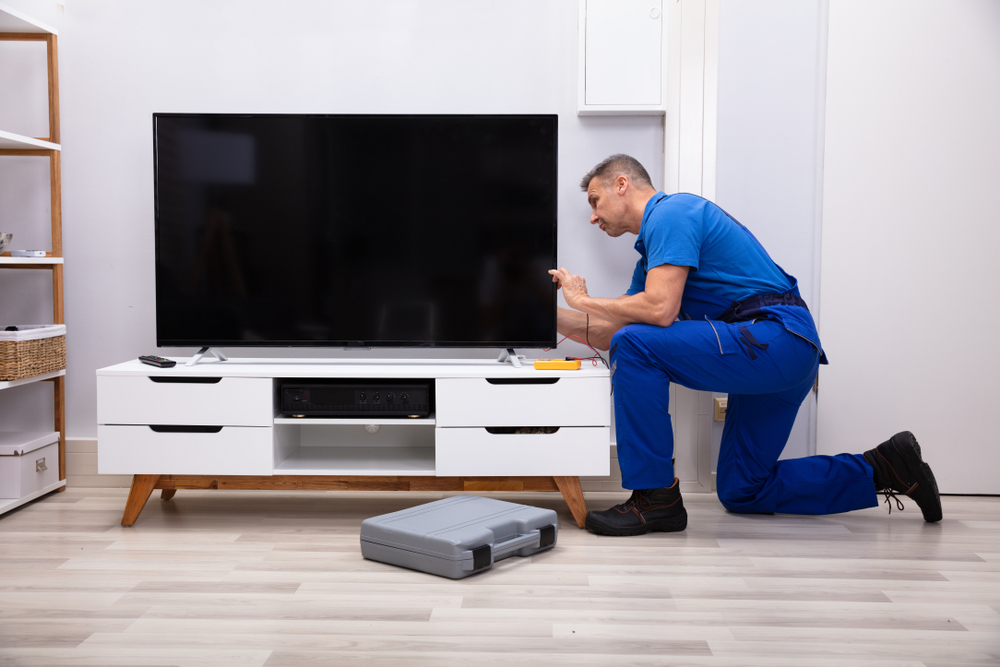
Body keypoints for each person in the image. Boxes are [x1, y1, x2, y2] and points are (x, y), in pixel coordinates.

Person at [549, 154, 941, 536]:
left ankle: (654, 498)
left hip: (775, 337)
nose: (593, 216)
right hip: (779, 350)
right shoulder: (653, 257)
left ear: (621, 185)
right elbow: (610, 330)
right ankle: (886, 467)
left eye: (595, 201)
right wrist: (545, 314)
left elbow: (660, 309)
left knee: (635, 344)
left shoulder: (671, 213)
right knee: (743, 489)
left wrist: (584, 300)